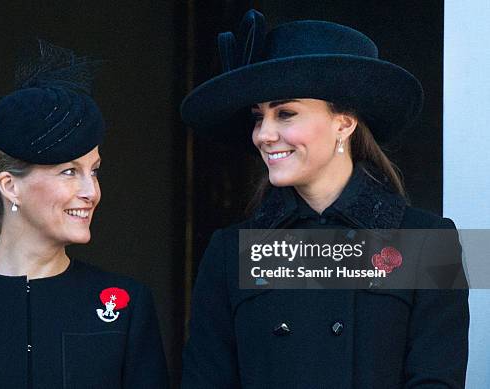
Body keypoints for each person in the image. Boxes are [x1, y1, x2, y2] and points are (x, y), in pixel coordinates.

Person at [180, 10, 469, 388]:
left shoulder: (429, 242)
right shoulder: (229, 252)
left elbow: (437, 380)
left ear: (344, 123)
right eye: (258, 117)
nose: (264, 134)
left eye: (285, 113)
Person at [0, 41, 168, 389]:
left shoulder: (127, 305)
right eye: (69, 171)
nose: (91, 192)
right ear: (10, 186)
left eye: (94, 171)